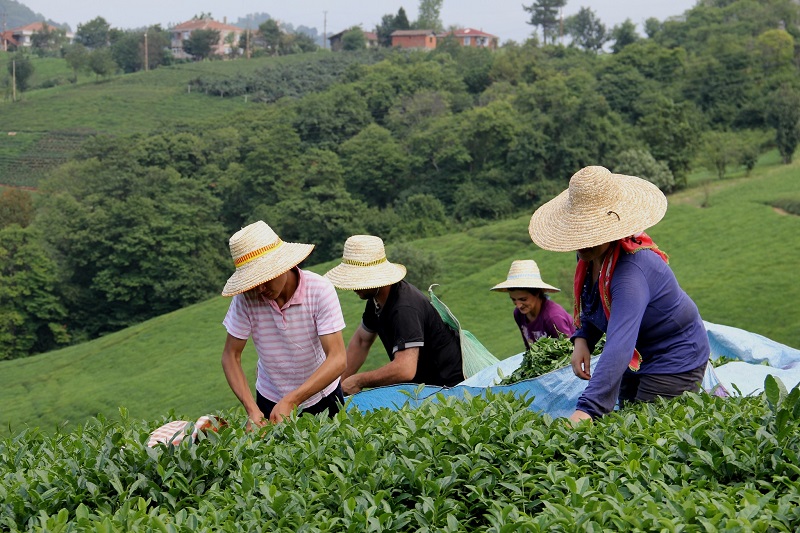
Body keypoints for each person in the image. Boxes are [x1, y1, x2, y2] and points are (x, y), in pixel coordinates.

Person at [528, 165, 710, 422]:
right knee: (625, 418)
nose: (585, 243)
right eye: (580, 232)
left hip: (674, 356)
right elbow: (596, 305)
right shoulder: (590, 258)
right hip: (640, 354)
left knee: (647, 432)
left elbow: (619, 344)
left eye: (592, 233)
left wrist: (587, 409)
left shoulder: (630, 271)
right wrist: (583, 338)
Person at [220, 220, 347, 427]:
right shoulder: (246, 299)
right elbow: (230, 356)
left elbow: (338, 358)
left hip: (323, 397)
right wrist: (252, 409)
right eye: (253, 282)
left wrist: (293, 399)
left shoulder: (319, 290)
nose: (260, 289)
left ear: (282, 266)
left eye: (265, 279)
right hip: (270, 399)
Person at [324, 235, 464, 395]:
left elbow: (404, 369)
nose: (353, 287)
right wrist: (335, 387)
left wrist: (359, 380)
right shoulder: (376, 298)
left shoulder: (404, 308)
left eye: (357, 281)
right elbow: (362, 341)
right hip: (425, 388)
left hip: (449, 389)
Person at [490, 259, 575, 350]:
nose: (518, 305)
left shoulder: (553, 317)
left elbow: (569, 349)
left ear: (537, 293)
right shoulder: (519, 314)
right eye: (514, 300)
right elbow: (529, 348)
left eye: (523, 299)